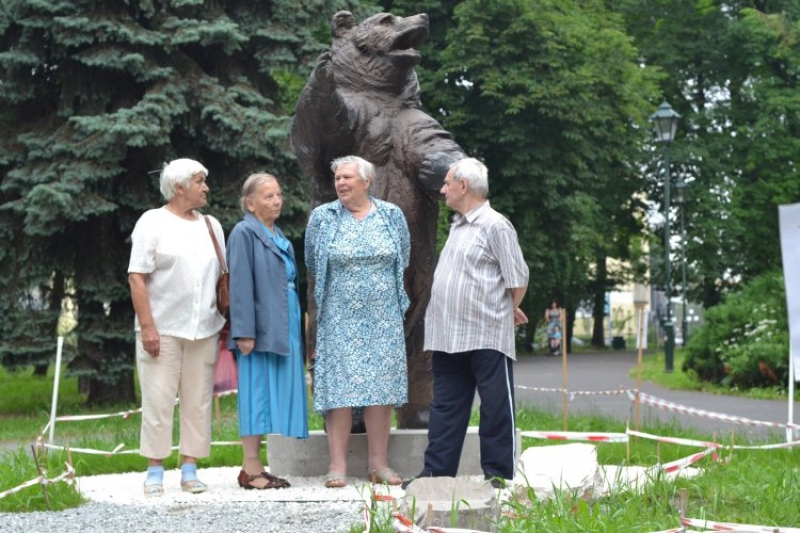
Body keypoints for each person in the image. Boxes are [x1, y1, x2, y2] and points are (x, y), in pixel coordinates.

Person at [416, 157, 529, 488]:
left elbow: (517, 278)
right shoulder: (457, 224)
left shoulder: (496, 225)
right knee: (445, 409)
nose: (443, 189)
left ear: (463, 186)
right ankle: (436, 475)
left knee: (495, 408)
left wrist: (505, 308)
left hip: (486, 334)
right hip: (447, 335)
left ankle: (497, 476)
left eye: (447, 183)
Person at [305, 155, 410, 488]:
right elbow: (312, 260)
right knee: (340, 388)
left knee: (381, 388)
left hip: (384, 317)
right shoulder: (322, 218)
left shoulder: (392, 216)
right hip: (339, 316)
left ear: (367, 182)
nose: (341, 183)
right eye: (337, 178)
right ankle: (337, 465)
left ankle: (378, 464)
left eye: (348, 177)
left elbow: (402, 257)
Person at [128, 158, 226, 497]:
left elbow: (219, 279)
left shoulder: (211, 225)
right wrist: (148, 327)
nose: (206, 187)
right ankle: (154, 469)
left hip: (205, 329)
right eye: (200, 181)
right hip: (163, 329)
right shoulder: (152, 221)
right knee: (157, 399)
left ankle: (189, 468)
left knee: (197, 401)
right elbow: (137, 277)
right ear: (179, 186)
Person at [227, 173, 309, 490]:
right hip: (258, 328)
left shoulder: (276, 232)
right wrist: (244, 332)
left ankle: (259, 466)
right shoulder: (244, 232)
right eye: (267, 196)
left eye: (278, 194)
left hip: (283, 321)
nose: (276, 201)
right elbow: (240, 286)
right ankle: (250, 468)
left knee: (273, 392)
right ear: (250, 203)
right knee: (256, 393)